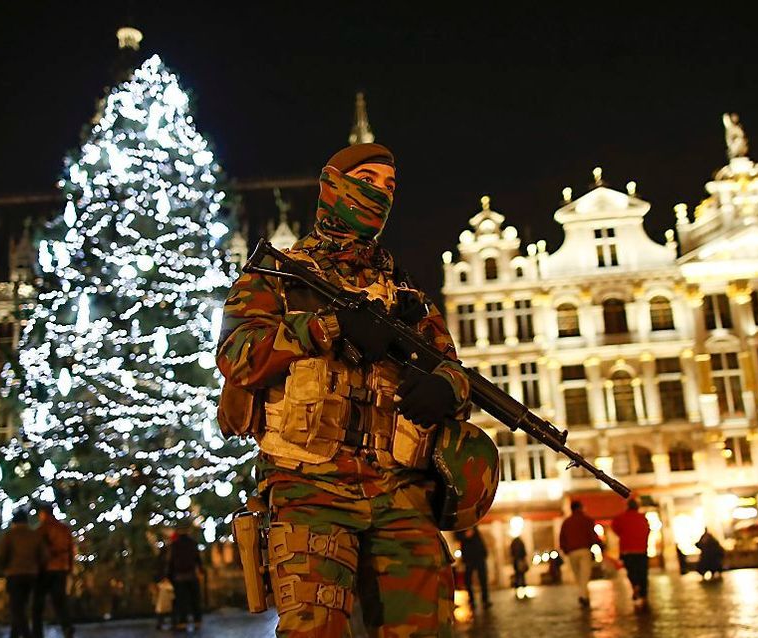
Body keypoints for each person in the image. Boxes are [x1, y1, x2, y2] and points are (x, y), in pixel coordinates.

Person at [217, 143, 496, 635]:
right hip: (308, 487)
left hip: (401, 492)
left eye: (390, 187)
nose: (382, 194)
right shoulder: (277, 275)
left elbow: (454, 368)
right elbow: (237, 356)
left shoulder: (406, 293)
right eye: (369, 180)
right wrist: (327, 327)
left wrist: (444, 389)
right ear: (332, 186)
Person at [0, 509, 48, 638]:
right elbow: (44, 556)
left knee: (16, 608)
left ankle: (26, 634)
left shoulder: (9, 535)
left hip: (14, 574)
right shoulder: (34, 535)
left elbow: (1, 556)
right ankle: (14, 634)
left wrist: (5, 567)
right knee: (22, 605)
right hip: (31, 574)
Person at [33, 503, 75, 638]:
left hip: (46, 569)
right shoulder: (64, 529)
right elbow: (70, 550)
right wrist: (69, 567)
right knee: (60, 600)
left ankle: (37, 632)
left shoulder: (41, 530)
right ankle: (67, 626)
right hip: (61, 568)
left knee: (38, 602)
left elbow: (38, 551)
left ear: (44, 514)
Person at [559, 500, 602, 608]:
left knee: (578, 576)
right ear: (581, 508)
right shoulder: (586, 520)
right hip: (584, 550)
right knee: (585, 575)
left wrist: (565, 550)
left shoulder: (567, 522)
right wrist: (598, 544)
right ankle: (583, 596)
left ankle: (584, 596)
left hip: (572, 552)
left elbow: (562, 538)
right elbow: (592, 535)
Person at [610, 499, 651, 610]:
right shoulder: (642, 517)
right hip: (641, 549)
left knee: (631, 570)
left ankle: (635, 585)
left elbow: (615, 528)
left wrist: (624, 536)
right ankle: (643, 594)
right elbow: (647, 530)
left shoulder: (621, 518)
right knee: (643, 572)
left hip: (627, 550)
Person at [168, 523, 203, 631]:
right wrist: (200, 569)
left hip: (179, 576)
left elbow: (171, 561)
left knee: (181, 600)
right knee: (194, 599)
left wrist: (169, 575)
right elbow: (197, 558)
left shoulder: (175, 545)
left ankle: (183, 621)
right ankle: (197, 620)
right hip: (191, 574)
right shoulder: (192, 543)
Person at [458, 526, 491, 611]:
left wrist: (484, 553)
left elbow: (481, 543)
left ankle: (485, 599)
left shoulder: (476, 531)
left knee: (483, 579)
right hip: (469, 558)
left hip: (479, 557)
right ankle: (472, 599)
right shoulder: (462, 532)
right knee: (468, 580)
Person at [509, 535, 529, 599]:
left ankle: (518, 592)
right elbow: (524, 552)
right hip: (520, 561)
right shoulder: (520, 542)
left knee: (518, 577)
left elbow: (512, 553)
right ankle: (522, 591)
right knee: (521, 577)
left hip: (517, 561)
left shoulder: (514, 543)